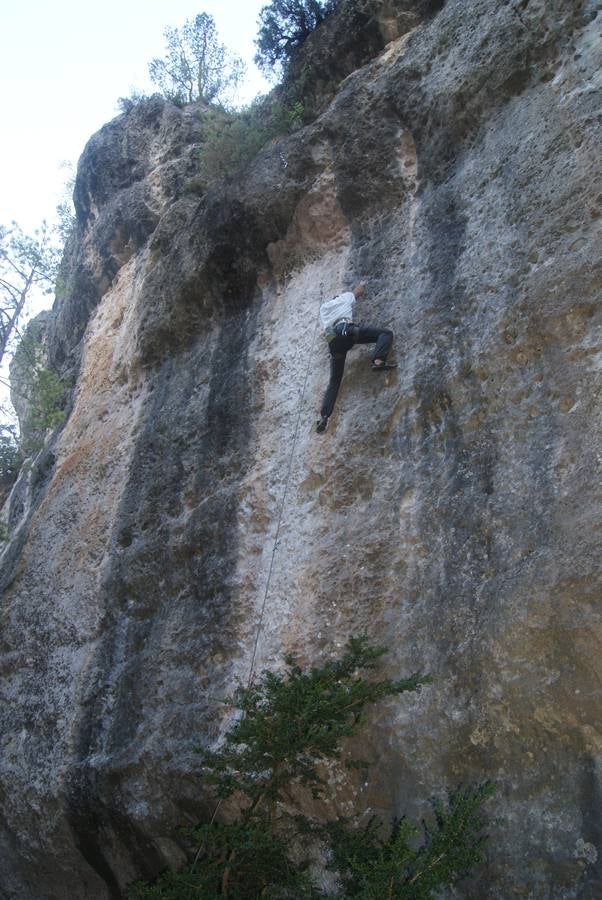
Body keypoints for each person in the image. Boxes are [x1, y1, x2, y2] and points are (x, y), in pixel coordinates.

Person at [316, 283, 395, 433]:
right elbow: (358, 292)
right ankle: (378, 360)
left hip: (333, 341)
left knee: (334, 381)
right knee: (385, 334)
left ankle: (324, 417)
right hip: (347, 331)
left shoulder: (324, 308)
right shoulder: (345, 298)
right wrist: (363, 285)